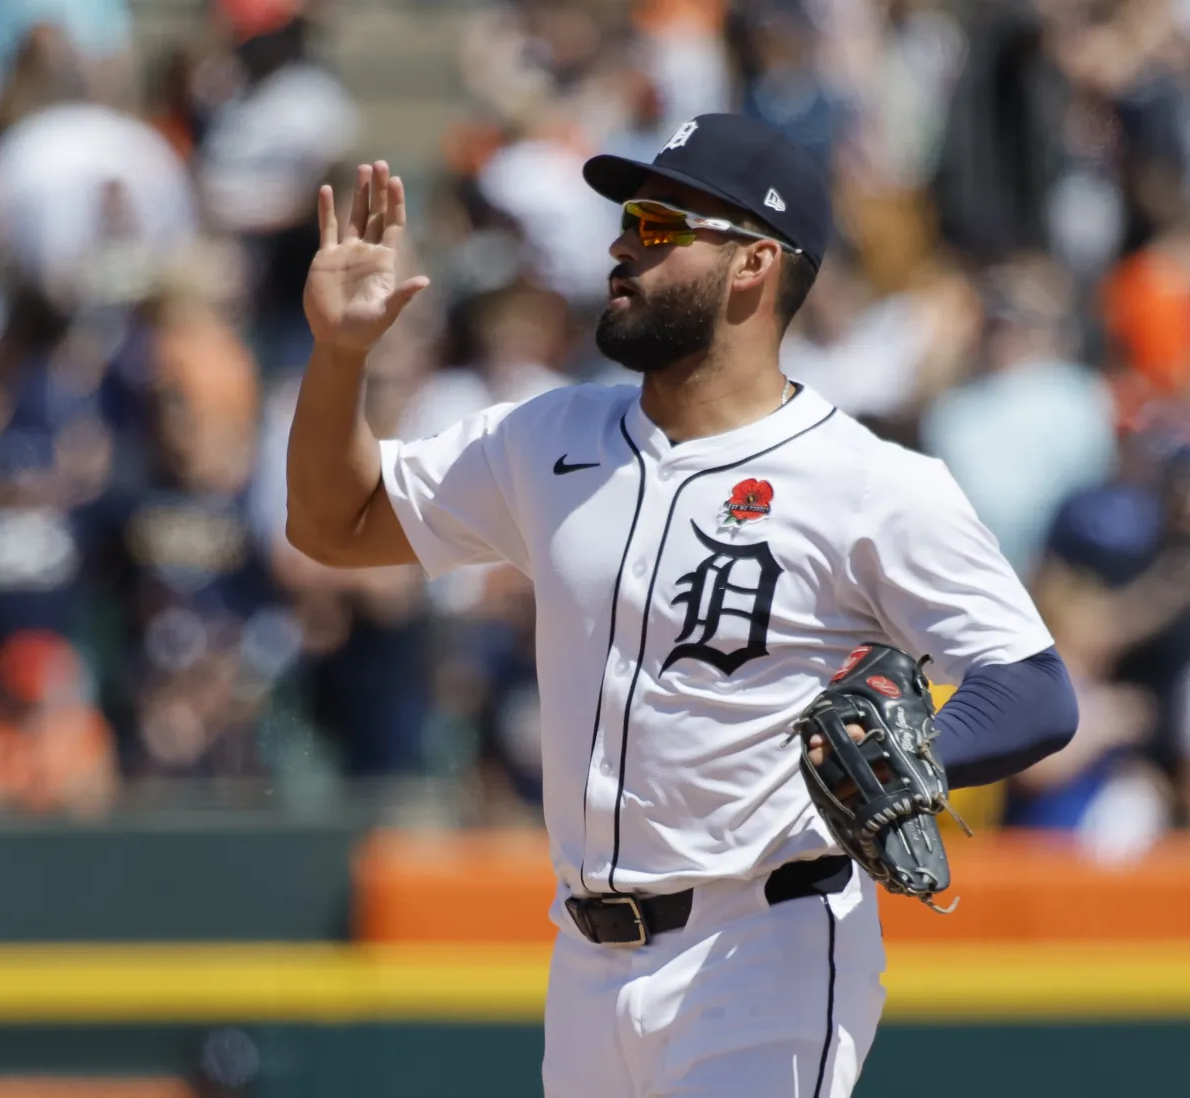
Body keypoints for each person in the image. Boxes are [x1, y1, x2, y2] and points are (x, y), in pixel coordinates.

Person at [284, 114, 1078, 1098]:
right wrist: (339, 360)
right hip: (585, 961)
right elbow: (334, 523)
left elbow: (1034, 689)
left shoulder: (870, 484)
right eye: (628, 218)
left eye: (660, 226)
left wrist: (920, 764)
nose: (622, 242)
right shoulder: (546, 437)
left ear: (752, 264)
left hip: (766, 945)